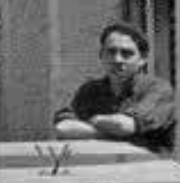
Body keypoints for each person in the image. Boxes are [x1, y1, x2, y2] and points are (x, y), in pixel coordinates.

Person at [53, 22, 176, 152]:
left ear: (142, 59)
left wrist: (93, 120)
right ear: (101, 56)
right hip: (102, 168)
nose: (117, 59)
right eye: (111, 52)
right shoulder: (90, 90)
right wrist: (112, 133)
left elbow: (124, 126)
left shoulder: (158, 89)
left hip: (151, 168)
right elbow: (63, 127)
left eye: (126, 53)